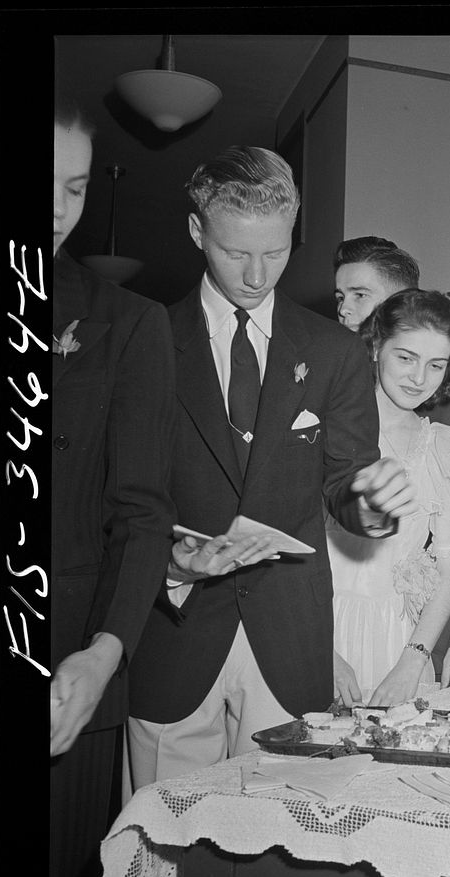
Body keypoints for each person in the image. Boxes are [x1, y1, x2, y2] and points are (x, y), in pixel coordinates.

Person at [126, 148, 416, 790]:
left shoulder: (334, 351)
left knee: (277, 840)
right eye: (235, 253)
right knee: (163, 849)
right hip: (174, 626)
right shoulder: (142, 339)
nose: (258, 275)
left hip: (288, 634)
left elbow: (347, 481)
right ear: (198, 232)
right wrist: (174, 567)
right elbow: (125, 498)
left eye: (277, 252)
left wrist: (368, 505)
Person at [50, 99, 176, 877]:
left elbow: (140, 512)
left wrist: (103, 656)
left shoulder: (127, 322)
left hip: (67, 662)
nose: (53, 210)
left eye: (72, 188)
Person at [333, 236, 450, 688]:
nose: (419, 378)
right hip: (323, 627)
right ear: (375, 347)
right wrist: (323, 653)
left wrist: (414, 659)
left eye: (436, 365)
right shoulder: (328, 429)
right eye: (406, 358)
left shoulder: (448, 450)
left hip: (403, 640)